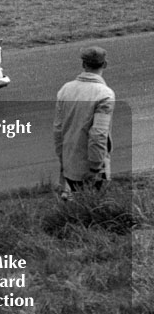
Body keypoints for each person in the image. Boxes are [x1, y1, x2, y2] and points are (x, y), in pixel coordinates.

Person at [53, 46, 115, 200]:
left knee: (77, 206)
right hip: (91, 168)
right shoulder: (105, 95)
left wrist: (63, 159)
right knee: (95, 210)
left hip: (70, 166)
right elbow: (98, 134)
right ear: (105, 64)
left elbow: (58, 129)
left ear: (83, 65)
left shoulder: (65, 89)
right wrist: (97, 166)